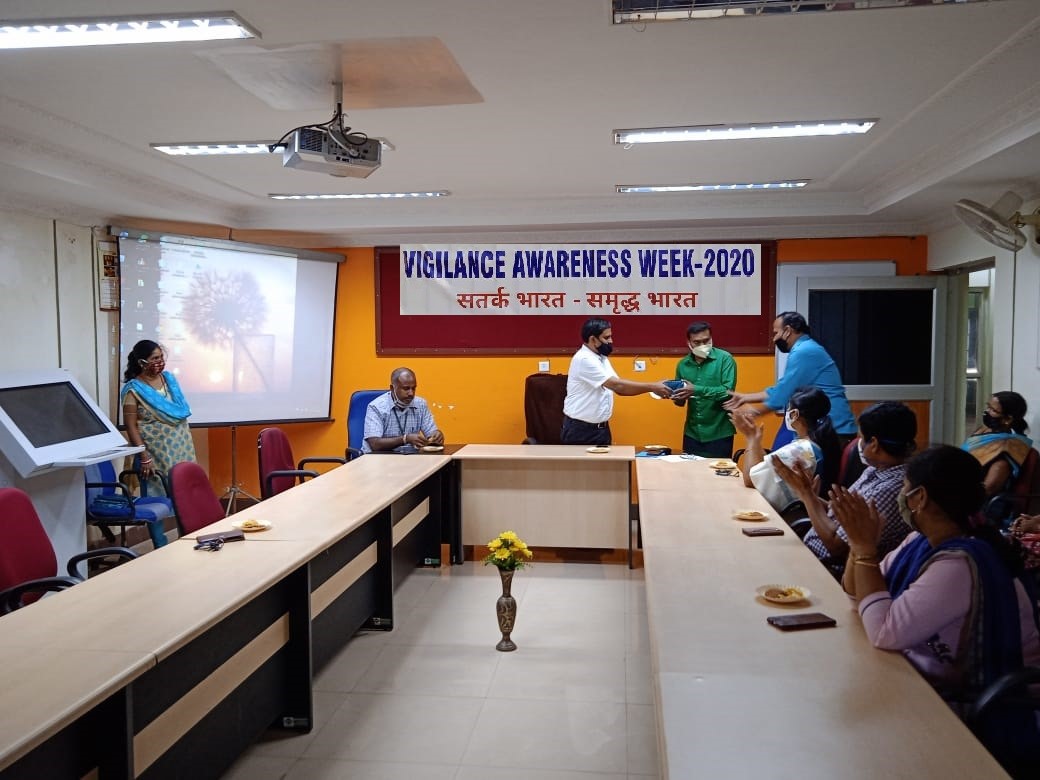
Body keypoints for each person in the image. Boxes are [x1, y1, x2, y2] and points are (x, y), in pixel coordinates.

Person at [835, 445, 1040, 757]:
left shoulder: (960, 562)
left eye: (905, 489)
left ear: (920, 498)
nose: (901, 497)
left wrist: (864, 548)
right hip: (921, 676)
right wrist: (860, 544)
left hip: (983, 701)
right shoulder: (920, 540)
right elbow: (855, 596)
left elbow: (883, 632)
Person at [772, 401, 917, 577]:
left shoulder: (890, 490)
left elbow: (836, 547)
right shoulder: (875, 470)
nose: (859, 444)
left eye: (861, 438)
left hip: (829, 571)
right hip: (812, 555)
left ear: (875, 444)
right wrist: (808, 494)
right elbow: (841, 515)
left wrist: (807, 496)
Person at [723, 311, 857, 444]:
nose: (774, 339)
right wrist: (746, 397)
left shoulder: (804, 352)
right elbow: (783, 388)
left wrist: (751, 412)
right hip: (826, 428)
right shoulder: (806, 348)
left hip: (833, 430)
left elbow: (781, 396)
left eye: (776, 333)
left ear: (787, 331)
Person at [120, 340, 196, 546]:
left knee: (183, 494)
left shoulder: (169, 380)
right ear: (141, 361)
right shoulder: (133, 389)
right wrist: (144, 456)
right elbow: (131, 425)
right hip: (154, 451)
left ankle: (187, 539)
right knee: (156, 494)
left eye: (161, 357)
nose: (160, 362)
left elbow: (180, 410)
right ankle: (159, 545)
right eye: (155, 358)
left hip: (180, 446)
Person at [561, 318, 674, 446]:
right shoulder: (584, 359)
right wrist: (652, 386)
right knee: (584, 467)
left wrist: (653, 388)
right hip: (580, 430)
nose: (611, 341)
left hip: (601, 429)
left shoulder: (601, 358)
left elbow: (619, 388)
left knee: (606, 466)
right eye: (607, 337)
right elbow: (617, 386)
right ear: (593, 339)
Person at [732, 386, 841, 515]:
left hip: (787, 517)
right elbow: (763, 467)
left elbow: (752, 480)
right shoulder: (812, 445)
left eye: (788, 409)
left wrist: (751, 438)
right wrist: (756, 440)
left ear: (794, 414)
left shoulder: (800, 450)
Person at [670, 321, 737, 458]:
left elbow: (727, 392)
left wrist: (696, 389)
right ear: (689, 342)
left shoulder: (725, 359)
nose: (702, 346)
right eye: (697, 342)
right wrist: (677, 397)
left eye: (706, 341)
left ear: (711, 339)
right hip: (692, 433)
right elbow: (680, 402)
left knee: (719, 476)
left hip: (719, 432)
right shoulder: (683, 365)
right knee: (690, 475)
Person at [962, 391, 1033, 499]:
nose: (987, 412)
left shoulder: (1006, 450)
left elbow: (987, 491)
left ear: (1007, 419)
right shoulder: (985, 431)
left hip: (975, 504)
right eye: (988, 407)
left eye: (993, 410)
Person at [362, 367, 444, 453]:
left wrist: (436, 435)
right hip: (377, 459)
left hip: (410, 459)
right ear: (392, 388)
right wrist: (405, 439)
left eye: (413, 388)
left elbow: (431, 433)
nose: (411, 393)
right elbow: (375, 444)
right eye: (406, 388)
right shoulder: (376, 407)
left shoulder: (421, 404)